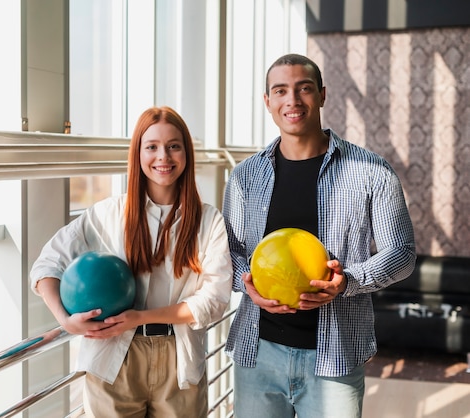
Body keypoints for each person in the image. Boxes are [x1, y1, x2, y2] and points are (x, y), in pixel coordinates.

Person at [222, 53, 416, 418]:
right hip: (258, 353)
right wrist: (246, 283)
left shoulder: (371, 171)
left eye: (304, 89)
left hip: (336, 358)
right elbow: (228, 253)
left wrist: (348, 282)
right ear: (268, 102)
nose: (292, 100)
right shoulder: (245, 176)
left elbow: (402, 252)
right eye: (280, 91)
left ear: (322, 95)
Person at [30, 106, 233, 417]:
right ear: (138, 154)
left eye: (173, 146)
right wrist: (64, 319)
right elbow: (47, 265)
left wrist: (142, 317)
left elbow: (214, 300)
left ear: (186, 153)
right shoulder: (108, 214)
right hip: (113, 359)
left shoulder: (208, 220)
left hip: (179, 362)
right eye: (151, 147)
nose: (163, 157)